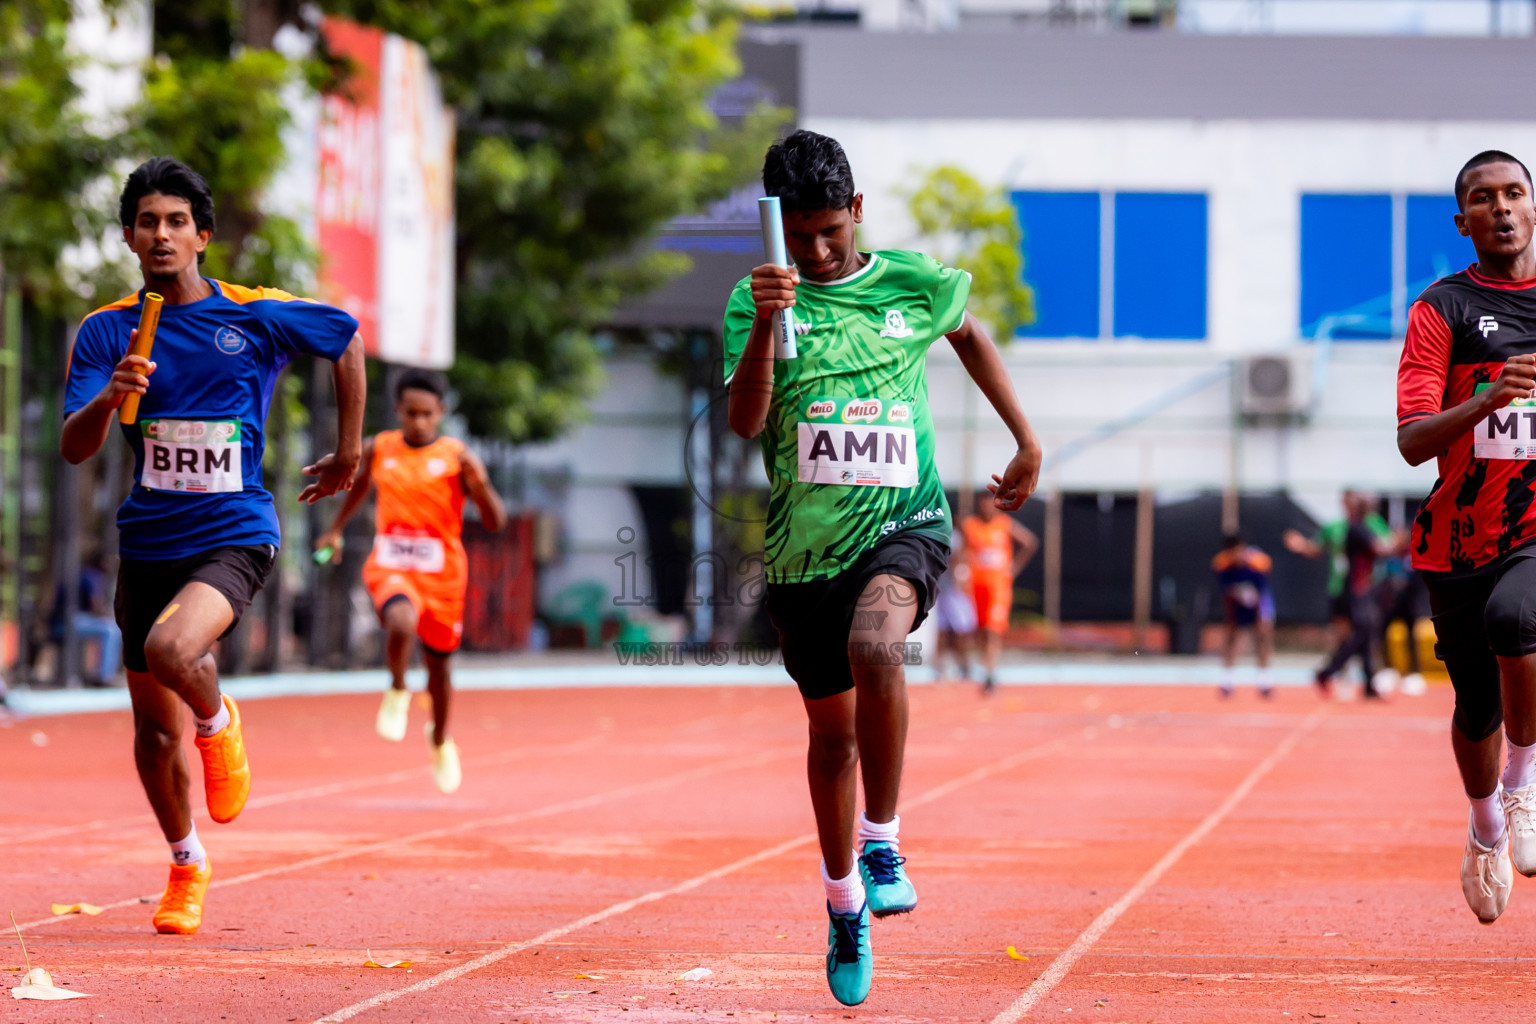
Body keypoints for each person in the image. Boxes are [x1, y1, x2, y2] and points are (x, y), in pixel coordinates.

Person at [725, 131, 1042, 1006]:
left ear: (857, 211)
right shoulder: (755, 300)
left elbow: (971, 336)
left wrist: (1025, 438)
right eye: (801, 237)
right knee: (830, 740)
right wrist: (767, 324)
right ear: (775, 228)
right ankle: (842, 903)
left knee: (880, 639)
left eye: (832, 232)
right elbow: (745, 424)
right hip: (801, 554)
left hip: (906, 524)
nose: (820, 253)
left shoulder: (912, 280)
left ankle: (884, 837)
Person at [60, 157, 365, 935]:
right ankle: (186, 864)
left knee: (173, 650)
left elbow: (348, 342)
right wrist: (111, 395)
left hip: (235, 531)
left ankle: (218, 721)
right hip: (149, 540)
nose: (161, 235)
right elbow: (73, 448)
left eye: (175, 222)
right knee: (151, 736)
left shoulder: (256, 314)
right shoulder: (106, 330)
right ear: (129, 237)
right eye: (146, 222)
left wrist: (350, 452)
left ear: (201, 234)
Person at [1397, 149, 1536, 924]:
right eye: (1485, 199)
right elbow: (1413, 440)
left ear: (1535, 208)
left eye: (1516, 193)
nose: (1503, 208)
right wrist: (1487, 396)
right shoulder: (1442, 309)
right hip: (1457, 535)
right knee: (1475, 705)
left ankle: (1523, 786)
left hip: (1535, 528)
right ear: (1465, 222)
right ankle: (1485, 827)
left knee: (1516, 620)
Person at [314, 370, 507, 794]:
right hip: (392, 563)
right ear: (398, 410)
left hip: (443, 576)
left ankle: (439, 738)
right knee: (401, 622)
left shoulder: (457, 456)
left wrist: (480, 482)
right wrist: (336, 529)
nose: (418, 421)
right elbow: (357, 487)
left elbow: (496, 521)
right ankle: (398, 689)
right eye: (410, 412)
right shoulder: (379, 448)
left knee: (440, 669)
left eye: (426, 414)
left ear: (440, 413)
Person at [1283, 492, 1393, 696]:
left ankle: (1347, 676)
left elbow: (1386, 543)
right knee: (1349, 634)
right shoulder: (1336, 527)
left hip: (1365, 586)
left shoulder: (1373, 524)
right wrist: (1301, 546)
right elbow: (1315, 549)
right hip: (1342, 587)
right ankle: (1341, 674)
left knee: (1364, 632)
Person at [959, 492, 1038, 694]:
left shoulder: (1004, 524)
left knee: (993, 630)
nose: (986, 509)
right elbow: (962, 552)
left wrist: (1014, 568)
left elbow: (1030, 542)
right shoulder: (970, 526)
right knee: (979, 631)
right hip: (975, 586)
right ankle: (982, 668)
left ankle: (990, 673)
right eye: (983, 505)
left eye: (990, 505)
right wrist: (961, 573)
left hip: (998, 586)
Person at [1212, 532, 1275, 698]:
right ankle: (1227, 681)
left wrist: (1260, 612)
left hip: (1257, 603)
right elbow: (1223, 588)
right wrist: (1237, 593)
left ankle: (1264, 681)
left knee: (1262, 638)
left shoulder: (1258, 563)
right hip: (1235, 603)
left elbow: (1263, 590)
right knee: (1231, 638)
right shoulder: (1222, 564)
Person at [930, 528, 977, 684]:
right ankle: (941, 669)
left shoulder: (956, 539)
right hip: (943, 592)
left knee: (960, 633)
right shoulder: (939, 531)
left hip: (954, 594)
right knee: (944, 632)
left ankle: (964, 667)